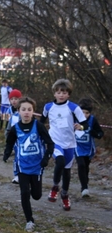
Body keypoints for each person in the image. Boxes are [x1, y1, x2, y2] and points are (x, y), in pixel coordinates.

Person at [3, 97, 54, 232]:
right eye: (23, 109)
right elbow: (9, 142)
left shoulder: (39, 126)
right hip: (22, 166)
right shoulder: (15, 128)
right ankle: (29, 220)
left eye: (29, 110)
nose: (26, 112)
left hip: (37, 166)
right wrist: (7, 153)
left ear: (33, 111)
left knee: (36, 195)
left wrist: (46, 158)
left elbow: (50, 143)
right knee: (24, 192)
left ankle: (34, 188)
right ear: (18, 111)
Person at [40, 79, 88, 211]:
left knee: (66, 171)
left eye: (64, 92)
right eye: (59, 92)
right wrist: (42, 136)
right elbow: (41, 122)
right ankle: (55, 186)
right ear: (54, 93)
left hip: (70, 143)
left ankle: (65, 194)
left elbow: (86, 124)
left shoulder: (73, 108)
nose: (61, 95)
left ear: (69, 94)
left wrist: (81, 127)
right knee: (59, 162)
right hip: (54, 141)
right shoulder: (48, 107)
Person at [75, 98, 104, 198]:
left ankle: (85, 182)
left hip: (88, 148)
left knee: (86, 167)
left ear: (90, 113)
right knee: (81, 165)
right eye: (82, 112)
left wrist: (93, 132)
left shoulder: (92, 120)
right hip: (77, 147)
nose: (84, 115)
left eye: (86, 113)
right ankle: (84, 188)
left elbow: (100, 133)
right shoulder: (73, 119)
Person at [4, 89, 23, 184]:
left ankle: (25, 174)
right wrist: (7, 134)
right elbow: (7, 123)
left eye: (16, 99)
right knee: (17, 156)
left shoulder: (23, 110)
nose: (14, 101)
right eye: (12, 99)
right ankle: (17, 175)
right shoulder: (9, 110)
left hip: (23, 137)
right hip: (14, 138)